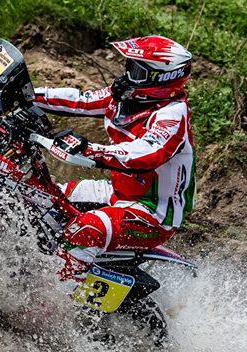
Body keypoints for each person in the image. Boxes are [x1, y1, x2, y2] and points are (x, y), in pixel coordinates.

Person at [33, 36, 196, 285]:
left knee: (87, 230)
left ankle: (53, 303)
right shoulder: (126, 97)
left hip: (152, 212)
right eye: (129, 66)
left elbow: (145, 154)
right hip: (118, 193)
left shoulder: (172, 114)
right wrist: (25, 94)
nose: (128, 74)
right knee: (40, 197)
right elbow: (81, 100)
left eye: (138, 70)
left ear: (161, 78)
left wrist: (90, 150)